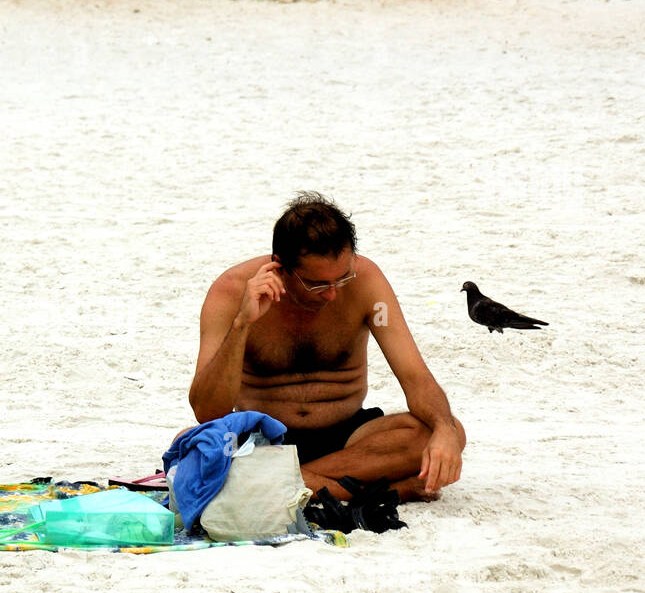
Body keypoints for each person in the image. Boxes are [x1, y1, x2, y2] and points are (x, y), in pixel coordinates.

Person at [188, 191, 465, 501]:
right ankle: (382, 491)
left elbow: (415, 376)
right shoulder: (230, 292)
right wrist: (242, 324)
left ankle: (291, 482)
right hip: (265, 438)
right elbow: (207, 412)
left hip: (349, 439)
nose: (332, 294)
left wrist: (444, 430)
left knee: (441, 432)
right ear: (280, 267)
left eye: (342, 279)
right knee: (198, 447)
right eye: (317, 284)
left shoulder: (367, 281)